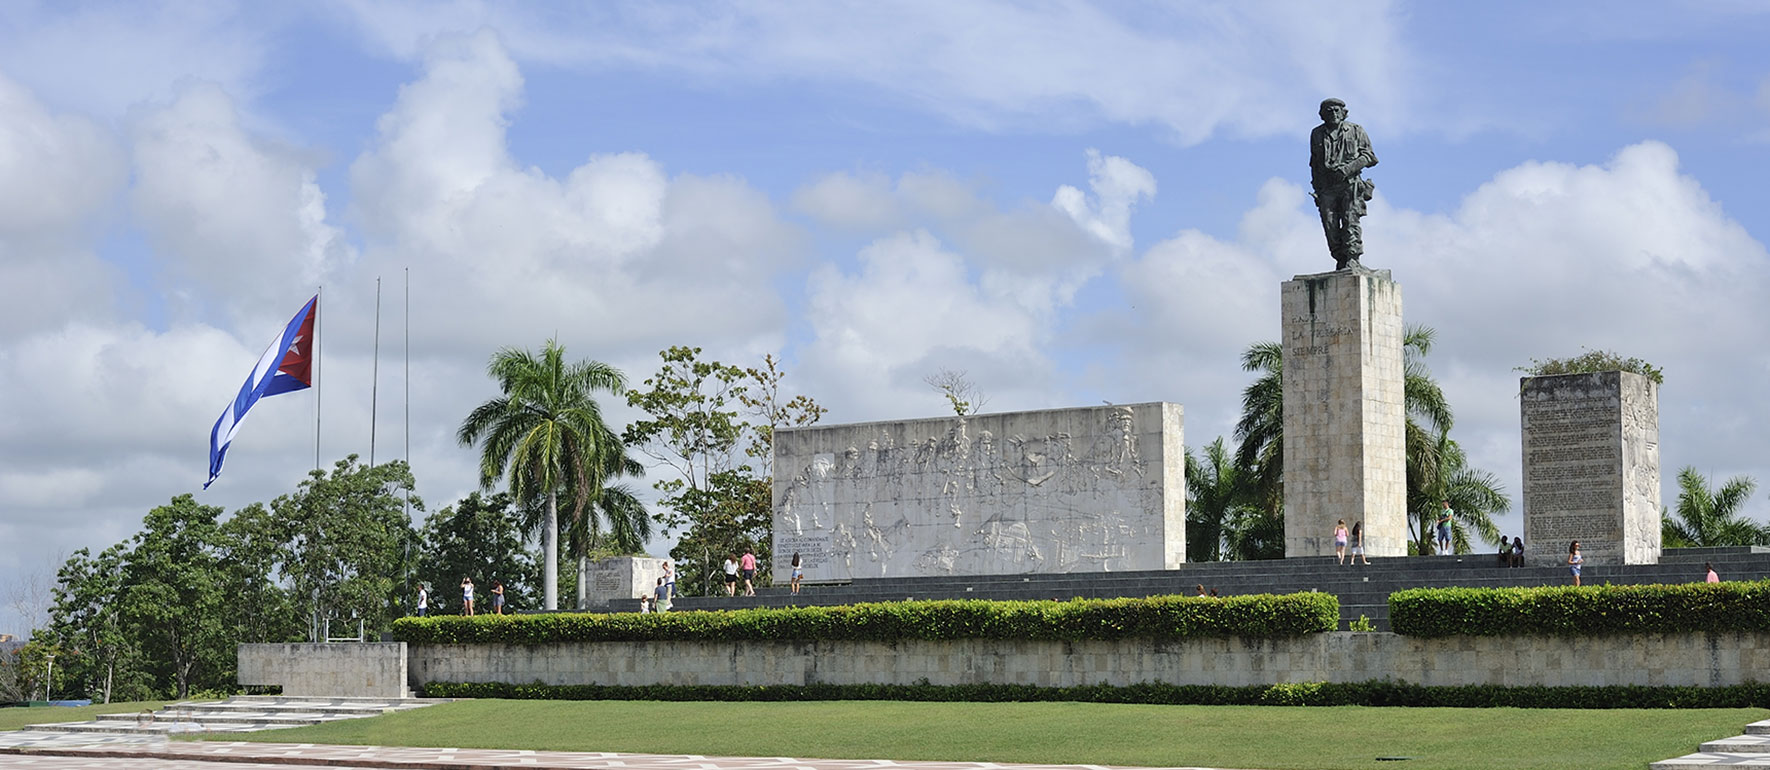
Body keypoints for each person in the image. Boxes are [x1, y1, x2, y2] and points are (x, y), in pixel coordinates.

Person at [1309, 97, 1379, 270]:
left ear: (1344, 113)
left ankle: (1352, 258)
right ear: (1322, 115)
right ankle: (1340, 259)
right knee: (1330, 225)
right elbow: (1315, 163)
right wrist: (1317, 189)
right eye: (1329, 111)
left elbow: (1369, 156)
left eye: (1336, 110)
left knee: (1350, 220)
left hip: (1350, 184)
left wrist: (1348, 169)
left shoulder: (1356, 130)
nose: (1333, 113)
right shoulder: (1316, 133)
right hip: (1327, 187)